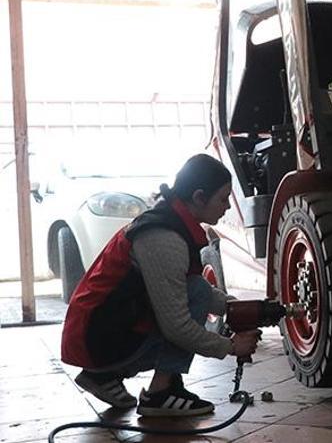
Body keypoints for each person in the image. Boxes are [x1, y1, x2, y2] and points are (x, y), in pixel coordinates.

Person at [60, 154, 260, 417]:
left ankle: (104, 375)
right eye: (223, 199)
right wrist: (231, 347)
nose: (226, 207)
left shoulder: (171, 222)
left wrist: (239, 308)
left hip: (102, 330)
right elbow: (177, 326)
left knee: (196, 290)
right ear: (199, 197)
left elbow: (186, 286)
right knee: (195, 297)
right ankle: (160, 394)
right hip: (95, 339)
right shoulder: (164, 238)